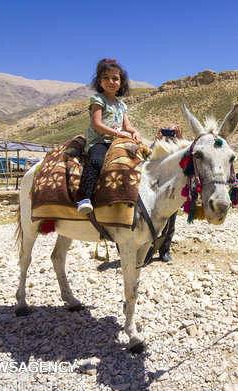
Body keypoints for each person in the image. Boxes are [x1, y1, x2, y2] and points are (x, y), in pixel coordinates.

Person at [77, 59, 142, 214]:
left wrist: (134, 132)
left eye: (115, 78)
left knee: (137, 160)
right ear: (99, 81)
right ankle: (85, 198)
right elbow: (96, 124)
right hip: (99, 141)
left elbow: (127, 126)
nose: (110, 81)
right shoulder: (98, 100)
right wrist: (119, 133)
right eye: (106, 77)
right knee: (97, 160)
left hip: (116, 142)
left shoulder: (122, 105)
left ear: (122, 82)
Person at [144, 124, 184, 263]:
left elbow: (188, 157)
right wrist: (157, 141)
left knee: (170, 224)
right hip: (156, 190)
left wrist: (180, 138)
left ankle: (164, 252)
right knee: (151, 222)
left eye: (173, 131)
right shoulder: (158, 144)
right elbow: (147, 157)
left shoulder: (181, 146)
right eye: (169, 131)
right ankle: (147, 252)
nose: (170, 134)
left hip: (172, 190)